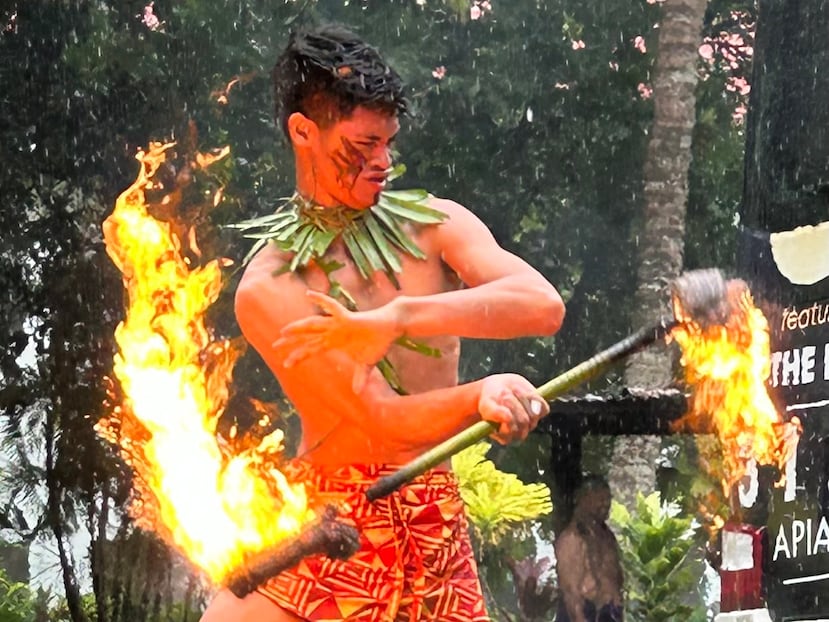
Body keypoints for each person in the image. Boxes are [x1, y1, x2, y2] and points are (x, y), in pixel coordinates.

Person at [200, 23, 565, 622]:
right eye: (364, 145)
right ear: (303, 133)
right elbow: (379, 424)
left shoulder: (436, 225)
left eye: (389, 142)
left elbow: (541, 306)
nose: (383, 161)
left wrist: (401, 316)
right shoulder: (272, 285)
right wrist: (479, 397)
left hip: (430, 521)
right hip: (330, 521)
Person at [554, 476, 625, 622]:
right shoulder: (572, 537)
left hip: (610, 612)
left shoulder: (606, 536)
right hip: (584, 613)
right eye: (600, 498)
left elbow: (615, 576)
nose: (606, 504)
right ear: (583, 498)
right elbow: (571, 591)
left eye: (608, 499)